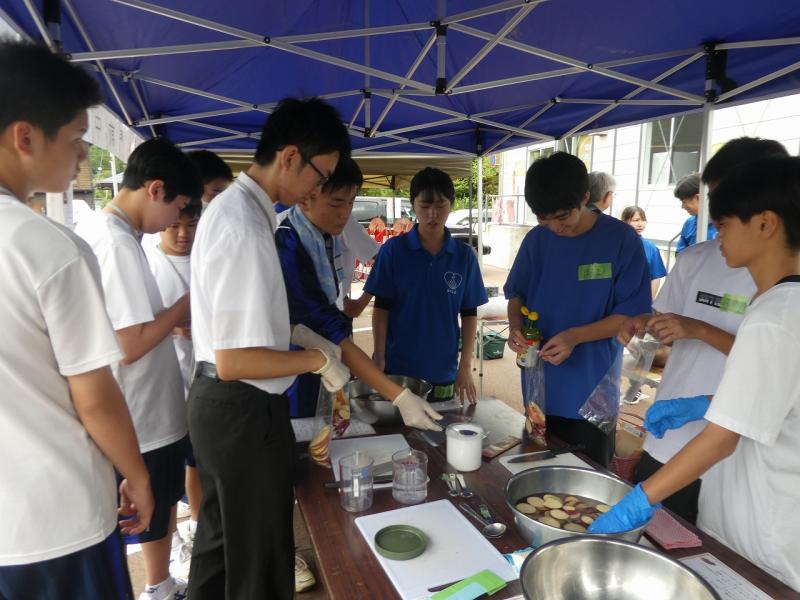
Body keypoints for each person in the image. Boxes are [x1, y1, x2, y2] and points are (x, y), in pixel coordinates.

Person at [590, 155, 800, 593]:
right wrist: (705, 404)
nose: (717, 236)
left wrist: (639, 501)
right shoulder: (781, 305)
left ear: (765, 224)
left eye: (724, 224)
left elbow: (722, 438)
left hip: (763, 535)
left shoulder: (775, 315)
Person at [0, 41, 153, 599]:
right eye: (75, 138)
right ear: (25, 137)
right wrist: (137, 475)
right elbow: (94, 395)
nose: (82, 155)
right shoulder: (47, 247)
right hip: (59, 523)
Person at [187, 97, 351, 600]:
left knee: (220, 550)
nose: (318, 189)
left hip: (221, 407)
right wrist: (317, 359)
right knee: (259, 563)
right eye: (320, 176)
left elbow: (243, 326)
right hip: (242, 408)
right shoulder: (244, 226)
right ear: (290, 157)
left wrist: (296, 334)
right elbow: (236, 360)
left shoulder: (236, 211)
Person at [615, 137, 788, 523]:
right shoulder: (699, 260)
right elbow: (664, 332)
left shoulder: (778, 303)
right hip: (673, 436)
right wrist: (646, 329)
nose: (715, 223)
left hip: (734, 460)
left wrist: (702, 331)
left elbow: (729, 429)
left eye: (725, 215)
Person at [76, 137, 201, 600]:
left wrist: (166, 322)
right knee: (150, 508)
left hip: (142, 412)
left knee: (158, 507)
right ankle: (157, 588)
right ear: (155, 189)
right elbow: (128, 344)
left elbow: (128, 327)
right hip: (142, 416)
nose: (176, 222)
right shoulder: (117, 243)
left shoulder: (115, 235)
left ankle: (159, 584)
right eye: (178, 208)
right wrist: (181, 308)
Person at [504, 152, 651, 467]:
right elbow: (516, 295)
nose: (555, 227)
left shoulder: (620, 239)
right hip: (540, 385)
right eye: (544, 219)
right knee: (537, 466)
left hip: (594, 387)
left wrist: (575, 336)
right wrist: (515, 328)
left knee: (587, 475)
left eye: (562, 217)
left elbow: (630, 315)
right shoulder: (537, 240)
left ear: (585, 198)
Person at [277, 158, 443, 428]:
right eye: (336, 203)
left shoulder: (323, 233)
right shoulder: (287, 242)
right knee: (303, 432)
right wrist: (398, 395)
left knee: (328, 429)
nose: (345, 213)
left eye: (351, 202)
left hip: (326, 350)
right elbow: (323, 323)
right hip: (293, 367)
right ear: (306, 197)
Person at [366, 167, 488, 405]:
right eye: (425, 205)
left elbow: (469, 313)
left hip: (443, 369)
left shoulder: (464, 256)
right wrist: (379, 355)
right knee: (398, 424)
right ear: (413, 205)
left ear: (451, 205)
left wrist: (465, 365)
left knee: (442, 424)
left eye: (441, 205)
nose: (433, 214)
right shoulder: (393, 251)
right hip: (398, 368)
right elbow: (381, 307)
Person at [143, 198, 202, 579]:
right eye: (174, 226)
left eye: (191, 225)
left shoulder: (206, 258)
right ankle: (168, 552)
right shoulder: (147, 262)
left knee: (198, 461)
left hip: (204, 379)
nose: (183, 234)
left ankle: (198, 525)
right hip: (162, 386)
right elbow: (134, 328)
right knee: (163, 477)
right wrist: (173, 325)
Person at [621, 206, 666, 298]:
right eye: (635, 220)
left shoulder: (651, 248)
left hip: (641, 299)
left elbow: (656, 277)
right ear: (624, 222)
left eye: (643, 220)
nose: (640, 224)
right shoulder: (616, 245)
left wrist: (650, 300)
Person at [674, 172, 717, 252]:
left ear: (698, 198)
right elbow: (680, 253)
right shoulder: (689, 223)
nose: (682, 206)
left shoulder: (724, 224)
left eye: (684, 202)